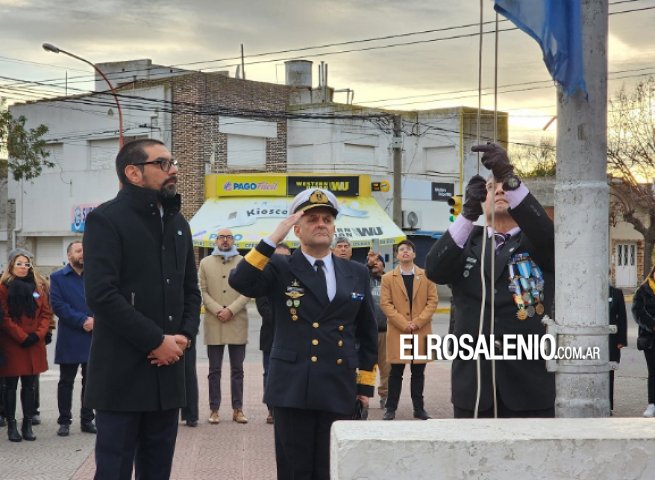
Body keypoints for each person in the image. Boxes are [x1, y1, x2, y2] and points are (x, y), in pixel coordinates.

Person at [229, 188, 378, 480]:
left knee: (331, 469)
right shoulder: (281, 267)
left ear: (334, 228)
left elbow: (367, 334)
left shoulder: (356, 272)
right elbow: (241, 281)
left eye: (327, 219)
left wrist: (364, 388)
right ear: (297, 229)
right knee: (295, 471)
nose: (321, 224)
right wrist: (274, 237)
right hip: (293, 387)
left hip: (338, 386)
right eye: (312, 219)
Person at [83, 138, 201, 479]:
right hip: (122, 375)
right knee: (114, 471)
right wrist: (155, 341)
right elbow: (101, 295)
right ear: (134, 172)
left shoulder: (178, 223)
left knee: (157, 471)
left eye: (172, 161)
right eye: (163, 163)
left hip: (168, 373)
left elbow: (190, 290)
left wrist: (183, 337)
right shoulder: (106, 220)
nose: (174, 170)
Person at [426, 143, 555, 418]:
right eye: (490, 187)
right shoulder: (466, 242)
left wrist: (509, 176)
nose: (498, 190)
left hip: (528, 387)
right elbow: (435, 270)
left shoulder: (538, 243)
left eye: (504, 186)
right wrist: (467, 214)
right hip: (473, 389)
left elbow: (548, 237)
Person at [380, 240, 438, 420]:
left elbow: (432, 301)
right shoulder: (388, 278)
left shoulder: (427, 276)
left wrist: (418, 322)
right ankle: (391, 408)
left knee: (418, 373)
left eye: (409, 249)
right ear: (397, 255)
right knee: (395, 372)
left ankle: (419, 409)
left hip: (420, 331)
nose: (405, 252)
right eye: (401, 250)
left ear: (414, 254)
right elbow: (386, 304)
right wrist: (404, 323)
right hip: (399, 331)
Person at [199, 228, 250, 425]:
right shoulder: (205, 263)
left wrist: (231, 309)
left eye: (229, 237)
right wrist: (218, 309)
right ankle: (214, 409)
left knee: (238, 370)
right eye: (222, 237)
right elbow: (202, 291)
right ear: (216, 240)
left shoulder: (243, 262)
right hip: (214, 320)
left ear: (233, 240)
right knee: (214, 369)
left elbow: (248, 290)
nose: (225, 240)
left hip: (237, 320)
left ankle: (238, 409)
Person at [0, 248, 51, 442]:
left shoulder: (37, 287)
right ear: (11, 265)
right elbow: (4, 317)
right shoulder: (3, 288)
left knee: (30, 386)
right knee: (11, 385)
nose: (23, 267)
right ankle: (12, 425)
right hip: (13, 343)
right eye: (19, 263)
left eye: (26, 264)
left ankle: (27, 424)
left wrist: (38, 334)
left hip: (34, 343)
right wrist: (22, 336)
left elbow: (46, 313)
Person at [50, 240, 96, 437]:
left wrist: (95, 320)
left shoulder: (95, 276)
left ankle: (87, 420)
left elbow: (103, 299)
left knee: (90, 381)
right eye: (78, 251)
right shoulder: (58, 277)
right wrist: (82, 321)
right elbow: (58, 305)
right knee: (66, 381)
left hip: (93, 334)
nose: (82, 254)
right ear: (69, 255)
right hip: (70, 334)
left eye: (85, 250)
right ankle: (64, 421)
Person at [256, 242, 291, 424]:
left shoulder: (295, 280)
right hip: (271, 335)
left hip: (292, 337)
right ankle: (271, 409)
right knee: (270, 373)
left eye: (285, 257)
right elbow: (264, 308)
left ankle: (286, 407)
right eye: (277, 257)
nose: (281, 261)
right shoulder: (264, 280)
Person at [367, 250, 390, 409]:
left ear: (384, 263)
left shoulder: (391, 280)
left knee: (387, 368)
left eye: (378, 261)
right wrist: (368, 265)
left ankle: (385, 396)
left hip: (386, 332)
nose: (376, 263)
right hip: (367, 332)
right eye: (373, 262)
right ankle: (363, 397)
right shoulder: (364, 279)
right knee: (366, 368)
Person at [631, 264, 655, 417]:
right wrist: (652, 324)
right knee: (653, 372)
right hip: (650, 339)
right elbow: (637, 311)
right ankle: (652, 404)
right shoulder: (643, 290)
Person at [608, 282, 627, 413]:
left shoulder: (616, 293)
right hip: (593, 341)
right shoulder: (590, 290)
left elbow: (622, 318)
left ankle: (608, 405)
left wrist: (621, 340)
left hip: (611, 340)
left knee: (609, 372)